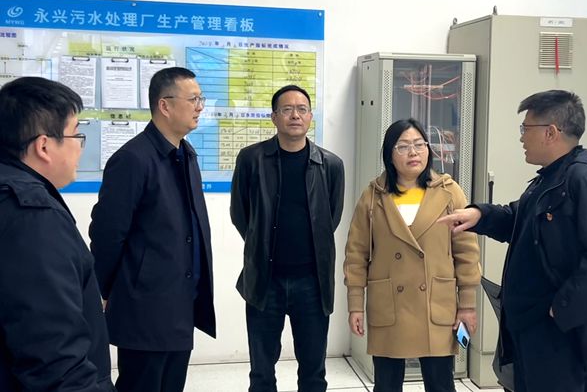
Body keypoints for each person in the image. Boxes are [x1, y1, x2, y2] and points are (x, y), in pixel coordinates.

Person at [438, 90, 587, 392]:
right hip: (538, 335)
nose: (521, 137)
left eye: (525, 128)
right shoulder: (551, 179)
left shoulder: (585, 179)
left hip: (567, 340)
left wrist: (564, 307)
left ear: (551, 132)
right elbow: (520, 220)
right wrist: (480, 215)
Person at [89, 67, 216, 392]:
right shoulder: (133, 159)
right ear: (165, 105)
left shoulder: (185, 154)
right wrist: (105, 290)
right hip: (144, 308)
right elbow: (107, 234)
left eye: (200, 99)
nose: (200, 106)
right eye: (193, 99)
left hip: (180, 304)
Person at [344, 118, 481, 392]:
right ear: (389, 154)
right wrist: (355, 305)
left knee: (441, 385)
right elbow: (356, 254)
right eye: (403, 146)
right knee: (386, 385)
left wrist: (467, 304)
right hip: (389, 304)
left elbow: (466, 252)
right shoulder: (373, 196)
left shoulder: (449, 192)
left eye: (419, 144)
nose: (413, 152)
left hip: (436, 302)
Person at [0, 77, 115, 391]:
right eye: (76, 133)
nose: (80, 145)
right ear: (44, 146)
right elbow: (54, 356)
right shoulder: (33, 216)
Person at [230, 84, 345, 392]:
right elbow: (240, 214)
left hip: (312, 282)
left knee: (314, 372)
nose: (295, 115)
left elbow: (330, 219)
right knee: (261, 372)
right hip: (265, 280)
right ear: (274, 117)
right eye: (287, 109)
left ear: (310, 117)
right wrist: (261, 245)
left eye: (302, 109)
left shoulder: (330, 165)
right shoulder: (251, 159)